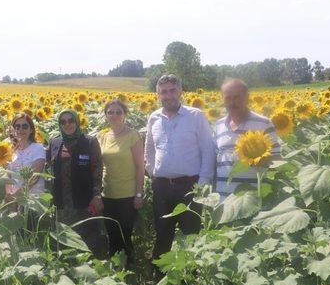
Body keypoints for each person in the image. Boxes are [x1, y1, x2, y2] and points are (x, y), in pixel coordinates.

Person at [145, 74, 214, 262]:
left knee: (190, 235)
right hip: (161, 187)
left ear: (180, 91)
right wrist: (153, 172)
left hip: (189, 187)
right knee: (162, 233)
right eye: (163, 92)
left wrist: (203, 183)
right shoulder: (154, 118)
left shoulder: (195, 116)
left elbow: (208, 149)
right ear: (158, 94)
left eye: (172, 90)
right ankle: (161, 278)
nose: (168, 95)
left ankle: (188, 282)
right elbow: (149, 148)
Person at [47, 109, 104, 257]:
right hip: (62, 201)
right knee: (66, 237)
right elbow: (47, 169)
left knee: (88, 239)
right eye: (63, 122)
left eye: (71, 120)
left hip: (85, 200)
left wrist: (97, 195)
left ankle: (91, 270)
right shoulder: (55, 142)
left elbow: (97, 170)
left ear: (77, 121)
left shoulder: (90, 141)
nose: (67, 124)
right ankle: (69, 268)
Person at [215, 78, 281, 201]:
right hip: (223, 200)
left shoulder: (264, 123)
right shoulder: (218, 126)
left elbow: (276, 160)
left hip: (255, 199)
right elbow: (216, 162)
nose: (232, 102)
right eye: (228, 98)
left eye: (237, 97)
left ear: (247, 97)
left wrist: (258, 159)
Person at [98, 99, 144, 267]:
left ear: (125, 115)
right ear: (106, 116)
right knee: (111, 235)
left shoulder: (133, 135)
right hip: (108, 194)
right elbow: (100, 166)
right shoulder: (103, 137)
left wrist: (139, 194)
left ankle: (129, 270)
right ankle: (115, 271)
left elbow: (140, 167)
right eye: (110, 112)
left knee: (125, 235)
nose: (114, 115)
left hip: (128, 195)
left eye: (118, 112)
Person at [6, 113, 46, 197]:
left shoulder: (38, 148)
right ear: (12, 130)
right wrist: (9, 195)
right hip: (13, 200)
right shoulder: (10, 150)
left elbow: (34, 177)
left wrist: (17, 195)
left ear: (31, 130)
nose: (20, 129)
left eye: (25, 126)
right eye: (17, 126)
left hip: (33, 200)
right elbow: (8, 177)